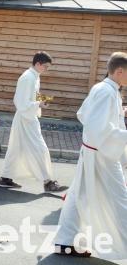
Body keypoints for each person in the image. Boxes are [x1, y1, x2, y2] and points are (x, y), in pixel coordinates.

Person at [55, 52, 127, 259]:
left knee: (77, 196)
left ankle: (65, 242)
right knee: (119, 200)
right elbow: (97, 130)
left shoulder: (103, 88)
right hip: (102, 155)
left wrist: (118, 114)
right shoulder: (107, 92)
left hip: (92, 152)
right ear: (119, 71)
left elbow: (84, 114)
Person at [0, 52, 65, 192]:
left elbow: (29, 98)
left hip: (26, 117)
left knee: (15, 149)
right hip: (26, 118)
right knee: (40, 149)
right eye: (45, 66)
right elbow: (20, 102)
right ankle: (48, 182)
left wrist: (40, 101)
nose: (46, 69)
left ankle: (5, 178)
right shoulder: (28, 78)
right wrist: (38, 104)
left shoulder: (34, 76)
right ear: (38, 64)